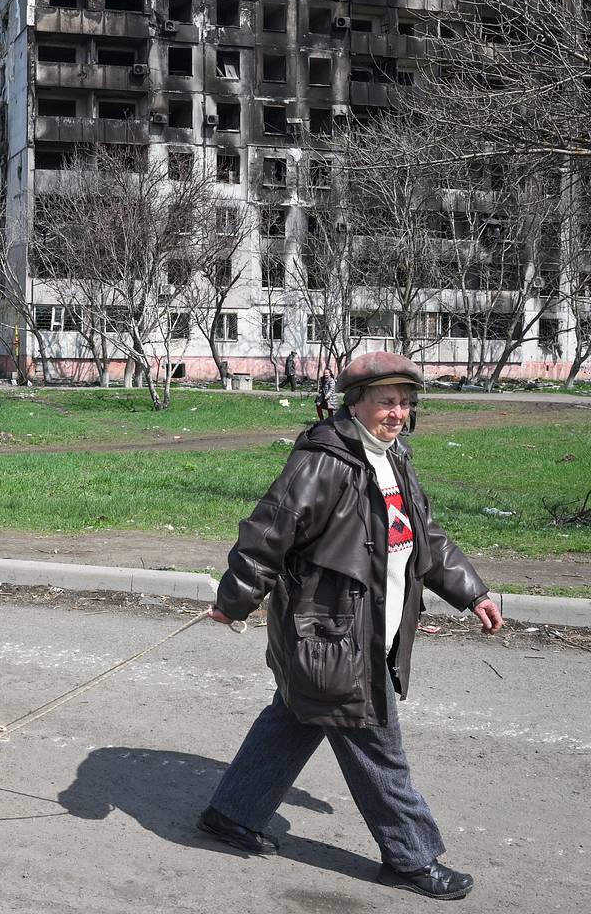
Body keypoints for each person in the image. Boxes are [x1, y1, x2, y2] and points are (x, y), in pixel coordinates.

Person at [199, 351, 504, 901]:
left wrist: (472, 591)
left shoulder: (393, 457)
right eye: (387, 402)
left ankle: (231, 813)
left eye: (406, 403)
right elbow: (269, 532)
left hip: (370, 625)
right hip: (333, 633)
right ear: (355, 402)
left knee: (296, 715)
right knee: (375, 741)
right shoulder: (324, 460)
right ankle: (412, 857)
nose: (398, 413)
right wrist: (235, 599)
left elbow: (425, 537)